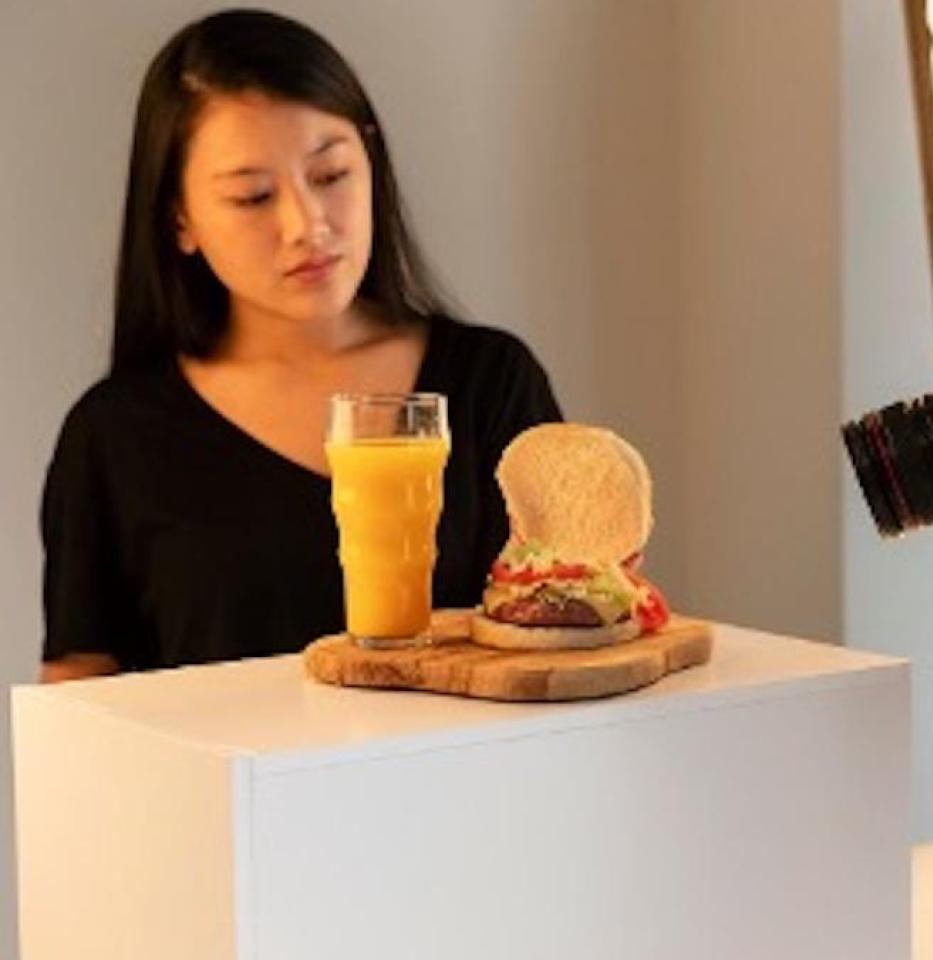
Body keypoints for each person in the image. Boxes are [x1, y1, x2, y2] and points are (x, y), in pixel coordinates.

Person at [40, 10, 560, 680]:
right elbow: (81, 699)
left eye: (331, 175)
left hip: (471, 785)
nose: (307, 226)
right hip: (225, 790)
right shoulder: (113, 436)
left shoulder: (491, 381)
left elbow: (572, 627)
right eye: (253, 196)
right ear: (179, 219)